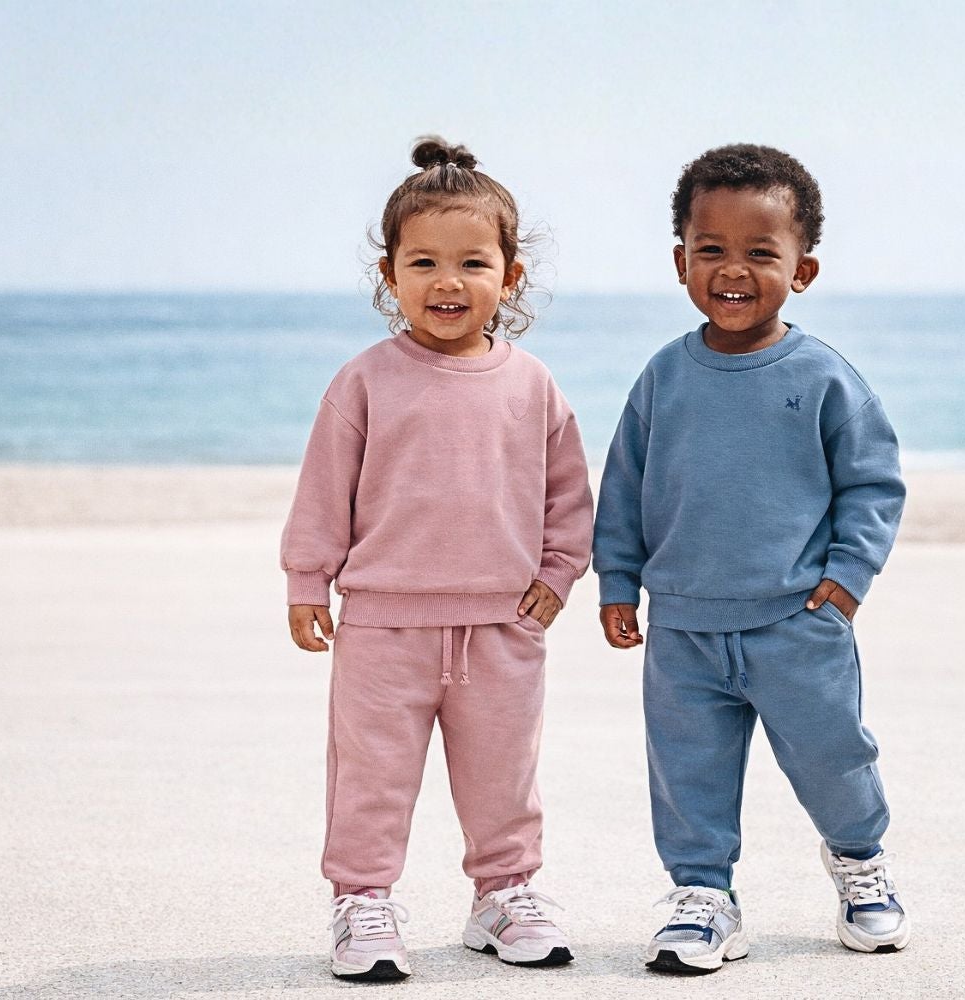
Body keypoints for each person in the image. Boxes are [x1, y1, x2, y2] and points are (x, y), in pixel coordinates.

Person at [279, 135, 593, 982]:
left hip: (502, 625)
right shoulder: (365, 381)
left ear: (509, 276)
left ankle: (504, 894)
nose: (447, 282)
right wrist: (308, 580)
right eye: (423, 263)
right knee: (373, 777)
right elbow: (323, 491)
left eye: (471, 263)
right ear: (390, 276)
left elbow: (569, 493)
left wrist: (558, 575)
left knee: (503, 777)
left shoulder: (533, 385)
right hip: (383, 627)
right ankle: (363, 900)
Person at [593, 142, 910, 975]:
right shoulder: (663, 377)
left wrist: (846, 581)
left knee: (834, 757)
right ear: (680, 261)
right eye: (712, 251)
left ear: (802, 269)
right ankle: (704, 896)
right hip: (684, 630)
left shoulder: (824, 377)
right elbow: (623, 486)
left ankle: (860, 863)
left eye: (761, 253)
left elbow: (873, 484)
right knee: (687, 773)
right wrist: (617, 581)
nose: (733, 270)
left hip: (797, 624)